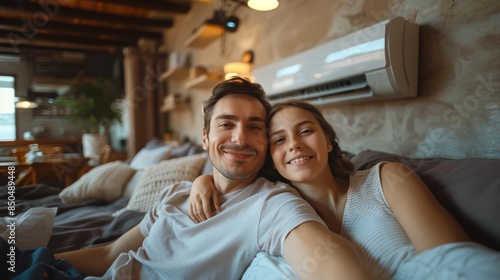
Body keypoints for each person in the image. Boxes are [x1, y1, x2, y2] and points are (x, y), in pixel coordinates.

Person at [50, 78, 371, 280]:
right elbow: (109, 254)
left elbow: (329, 261)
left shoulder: (271, 204)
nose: (240, 138)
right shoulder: (176, 193)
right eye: (226, 124)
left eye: (255, 127)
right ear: (205, 138)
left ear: (267, 143)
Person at [190, 100, 500, 279]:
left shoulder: (388, 179)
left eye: (306, 131)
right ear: (271, 156)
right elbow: (226, 179)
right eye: (279, 140)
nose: (295, 144)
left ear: (327, 140)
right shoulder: (271, 209)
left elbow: (453, 259)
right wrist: (200, 180)